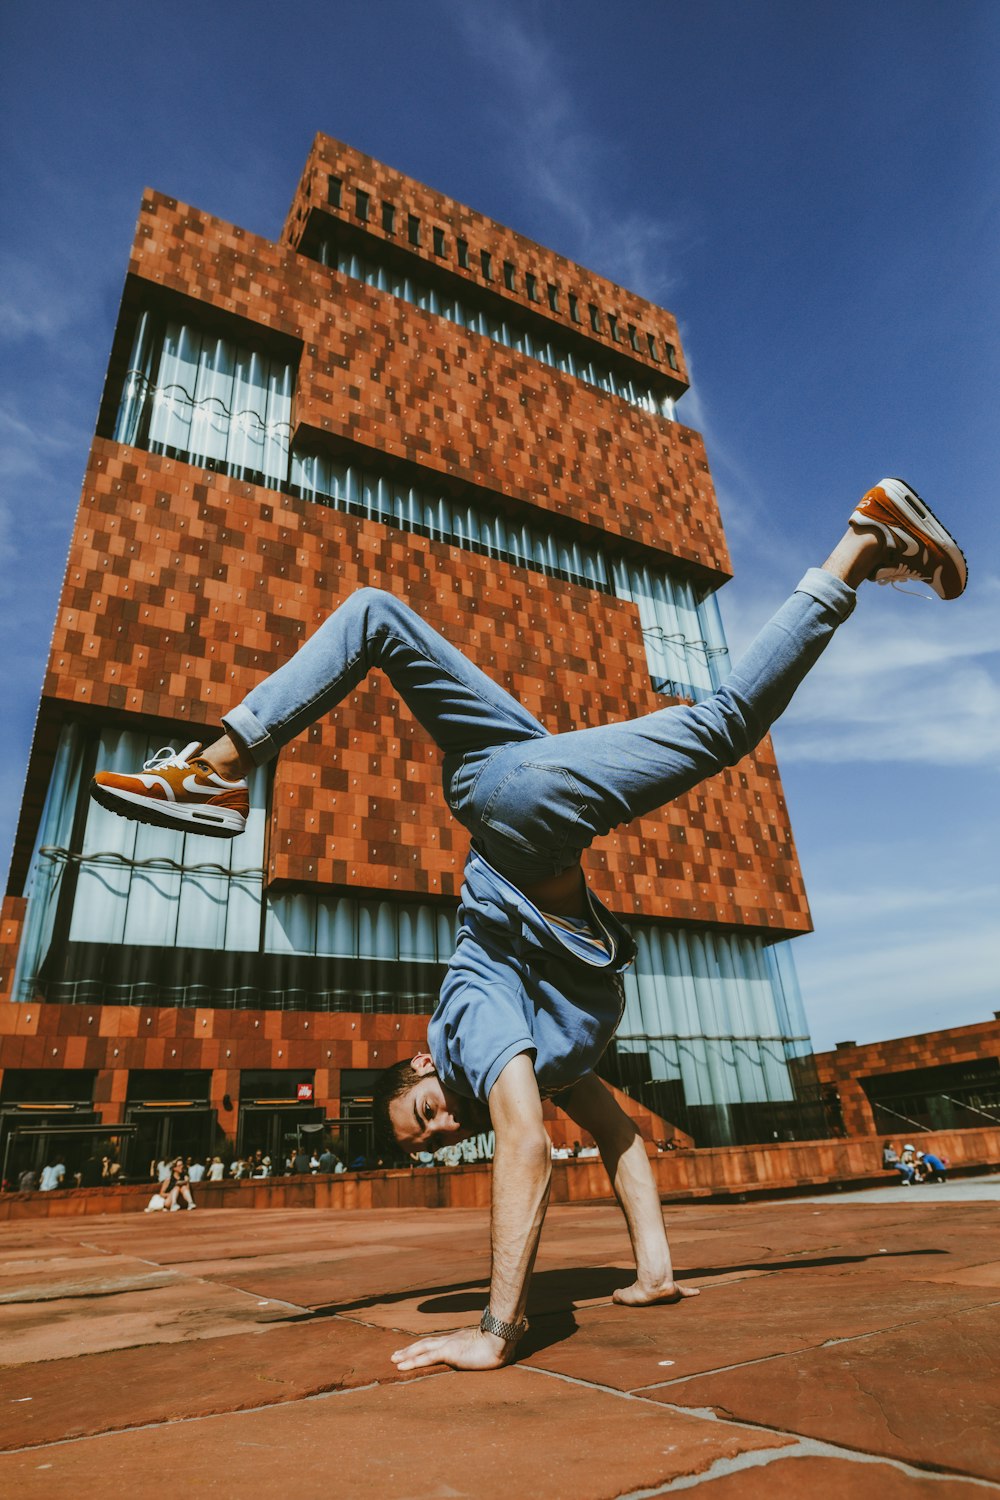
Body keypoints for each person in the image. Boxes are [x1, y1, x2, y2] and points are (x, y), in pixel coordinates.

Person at [89, 479, 967, 1370]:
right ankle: (219, 766)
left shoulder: (469, 1025)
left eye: (422, 1113)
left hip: (519, 813)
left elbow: (527, 1144)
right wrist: (653, 1269)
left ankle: (859, 543)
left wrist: (493, 1331)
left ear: (430, 1064)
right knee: (374, 614)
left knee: (722, 726)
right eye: (427, 1141)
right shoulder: (552, 1061)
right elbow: (621, 1138)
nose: (440, 1132)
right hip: (505, 769)